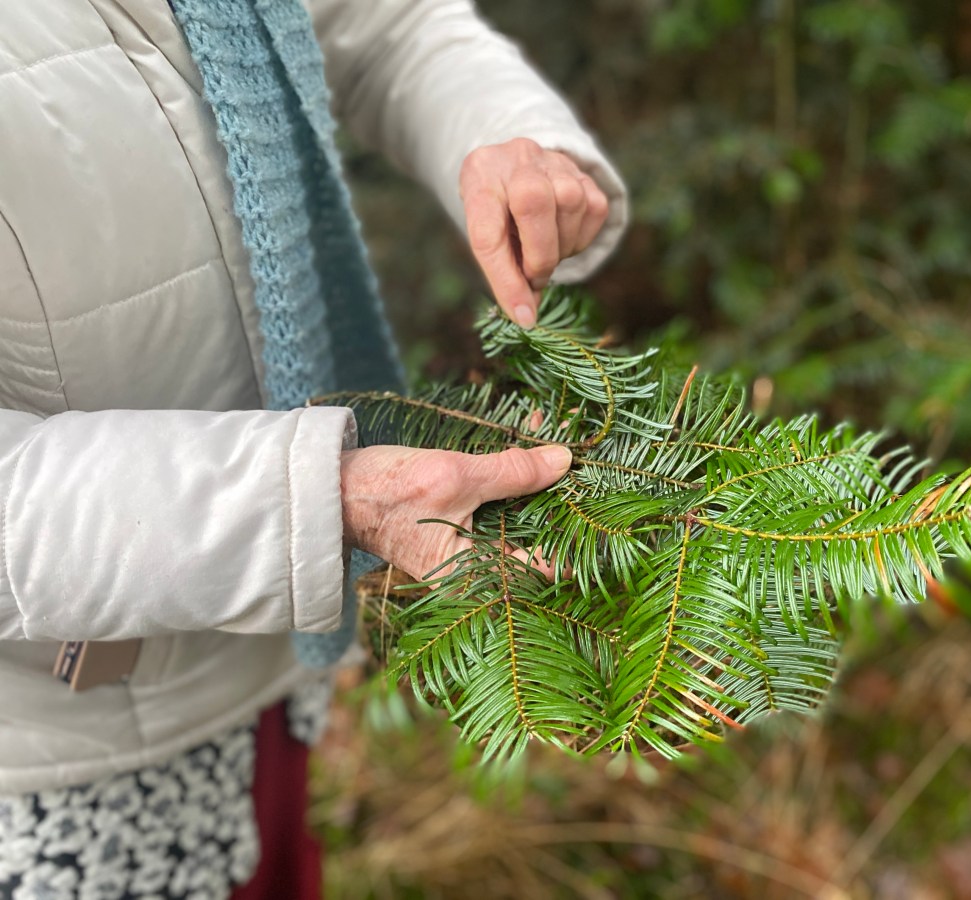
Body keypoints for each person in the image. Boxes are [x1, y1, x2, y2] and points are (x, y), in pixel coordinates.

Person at [0, 0, 627, 896]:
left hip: (271, 646)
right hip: (67, 769)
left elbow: (387, 25)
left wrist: (509, 139)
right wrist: (316, 501)